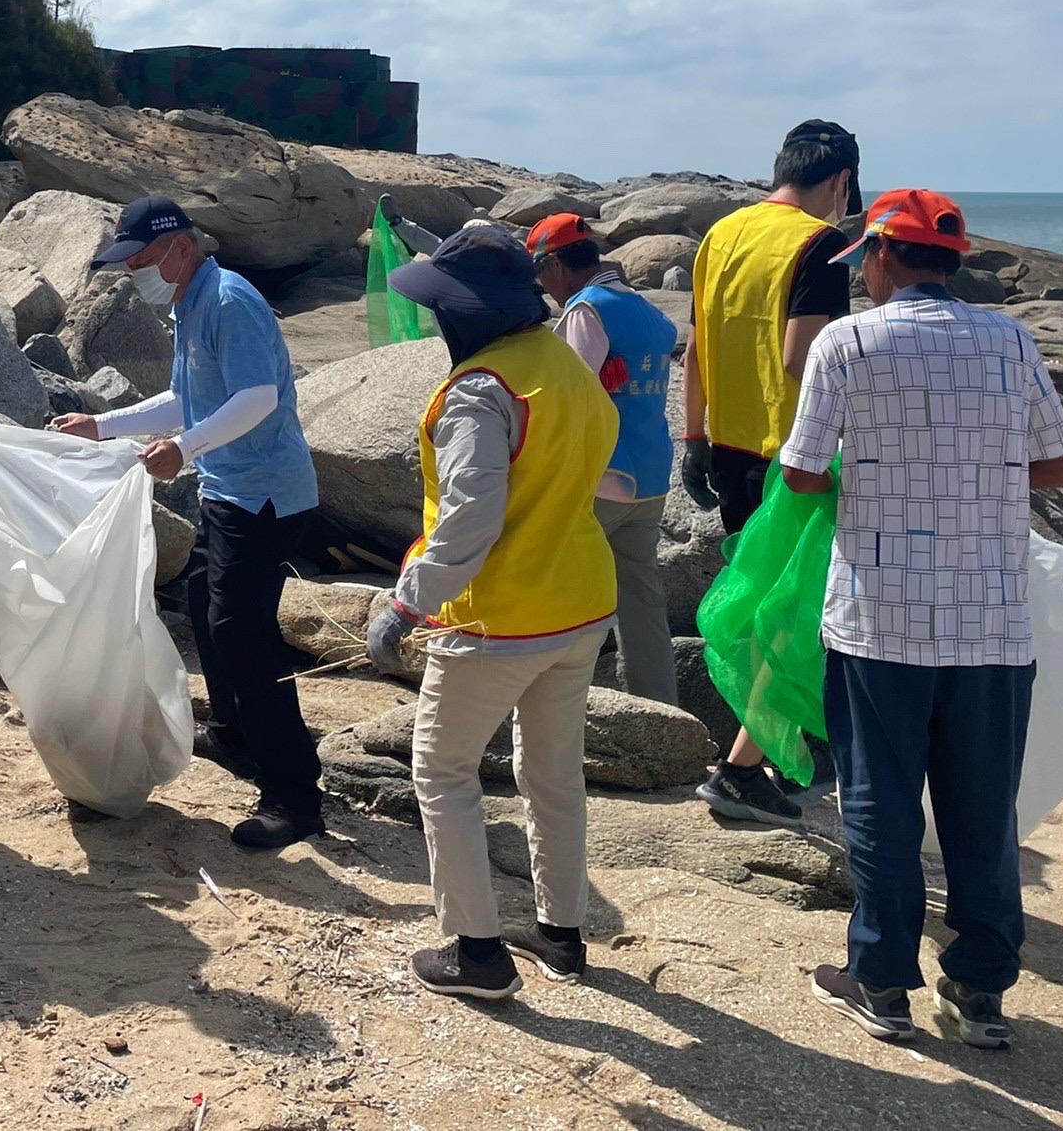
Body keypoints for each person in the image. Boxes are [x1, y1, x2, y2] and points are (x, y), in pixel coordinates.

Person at [777, 189, 1063, 1051]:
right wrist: (973, 478)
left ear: (879, 256)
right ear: (952, 262)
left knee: (878, 802)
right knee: (984, 812)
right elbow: (1053, 466)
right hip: (992, 619)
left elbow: (800, 473)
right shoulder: (1010, 338)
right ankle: (981, 992)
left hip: (880, 615)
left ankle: (881, 983)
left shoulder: (849, 339)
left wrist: (878, 475)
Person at [365, 228, 620, 999]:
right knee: (551, 773)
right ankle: (561, 932)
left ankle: (476, 954)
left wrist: (410, 603)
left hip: (501, 619)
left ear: (464, 314)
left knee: (442, 771)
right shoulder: (564, 369)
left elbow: (471, 518)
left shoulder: (481, 390)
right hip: (581, 603)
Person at [49, 196, 327, 850]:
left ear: (177, 247)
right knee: (206, 603)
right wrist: (103, 425)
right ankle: (234, 733)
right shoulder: (189, 301)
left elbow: (257, 397)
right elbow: (187, 398)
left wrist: (186, 450)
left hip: (266, 498)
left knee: (243, 635)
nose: (136, 270)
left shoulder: (231, 300)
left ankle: (294, 794)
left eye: (143, 257)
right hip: (229, 492)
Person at [681, 119, 861, 827]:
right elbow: (802, 358)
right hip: (795, 457)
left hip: (728, 445)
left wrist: (692, 435)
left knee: (760, 612)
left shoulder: (722, 236)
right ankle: (744, 770)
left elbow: (696, 344)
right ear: (841, 181)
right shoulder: (820, 245)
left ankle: (755, 760)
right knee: (795, 617)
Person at [527, 212, 680, 703]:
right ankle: (660, 714)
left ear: (553, 264)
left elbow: (563, 398)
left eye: (538, 269)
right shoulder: (649, 313)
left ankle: (556, 708)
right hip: (651, 473)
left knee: (559, 595)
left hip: (599, 477)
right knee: (641, 604)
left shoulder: (586, 310)